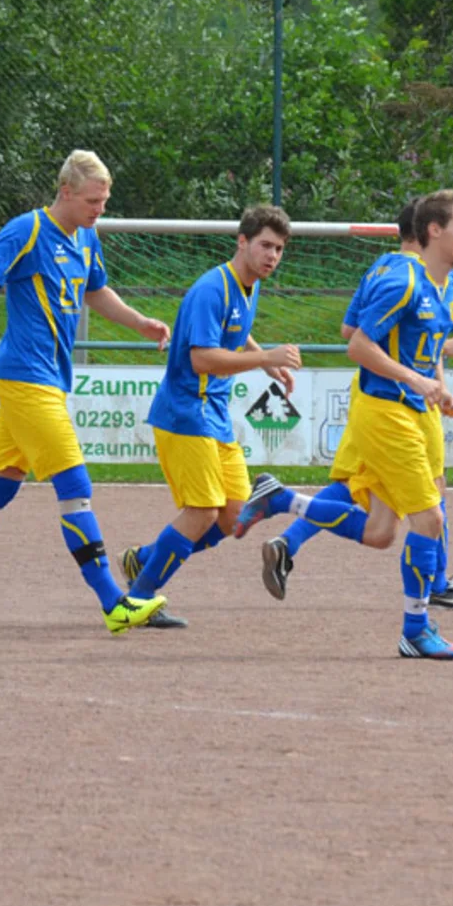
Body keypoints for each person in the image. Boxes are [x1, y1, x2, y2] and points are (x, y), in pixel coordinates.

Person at [0, 150, 174, 635]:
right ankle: (113, 602)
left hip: (47, 380)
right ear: (66, 192)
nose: (101, 208)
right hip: (25, 379)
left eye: (105, 200)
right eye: (94, 200)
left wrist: (138, 322)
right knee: (75, 488)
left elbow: (95, 291)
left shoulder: (87, 236)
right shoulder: (27, 230)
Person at [236, 189, 453, 660]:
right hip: (385, 411)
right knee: (429, 518)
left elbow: (427, 348)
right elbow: (357, 343)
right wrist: (414, 379)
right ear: (433, 230)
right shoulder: (400, 279)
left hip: (416, 409)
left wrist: (438, 387)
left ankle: (283, 499)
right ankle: (417, 627)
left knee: (380, 532)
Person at [114, 205, 303, 627]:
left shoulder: (248, 286)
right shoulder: (210, 289)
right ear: (242, 242)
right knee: (201, 512)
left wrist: (263, 359)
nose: (273, 255)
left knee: (234, 518)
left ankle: (143, 561)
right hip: (185, 413)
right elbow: (200, 359)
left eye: (279, 249)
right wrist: (264, 358)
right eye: (266, 246)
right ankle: (137, 600)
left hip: (214, 414)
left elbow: (234, 329)